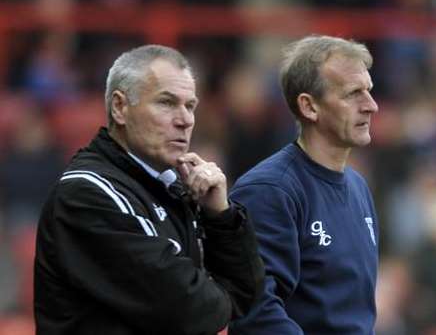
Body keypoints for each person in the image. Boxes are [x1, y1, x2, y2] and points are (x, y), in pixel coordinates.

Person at [34, 45, 264, 335]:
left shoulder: (174, 187)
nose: (185, 120)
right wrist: (218, 296)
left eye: (190, 105)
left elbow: (247, 295)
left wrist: (221, 216)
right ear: (120, 107)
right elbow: (191, 311)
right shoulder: (89, 194)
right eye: (166, 103)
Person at [229, 35, 380, 334]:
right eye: (353, 94)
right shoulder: (269, 191)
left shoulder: (359, 187)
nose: (371, 106)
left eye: (369, 91)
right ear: (309, 107)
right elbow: (256, 312)